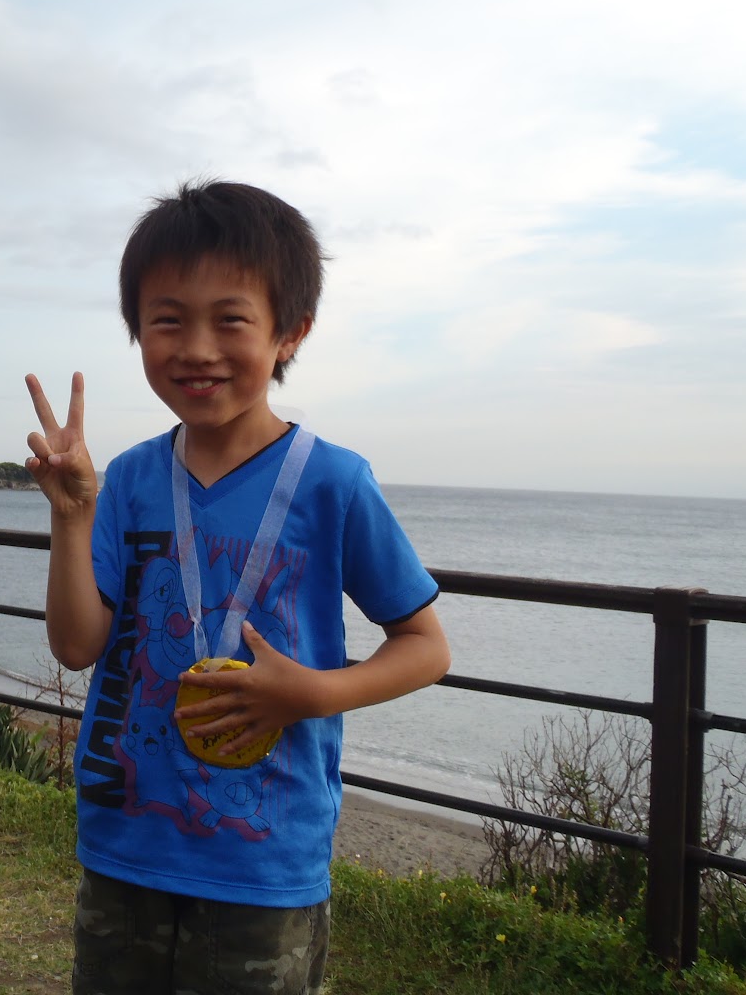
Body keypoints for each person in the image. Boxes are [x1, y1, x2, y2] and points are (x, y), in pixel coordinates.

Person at [25, 181, 450, 995]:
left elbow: (426, 647)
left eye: (230, 319)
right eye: (167, 320)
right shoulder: (130, 480)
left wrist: (313, 694)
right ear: (136, 329)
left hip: (264, 863)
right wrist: (73, 514)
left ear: (290, 331)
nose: (197, 348)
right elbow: (77, 647)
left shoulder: (332, 483)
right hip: (126, 844)